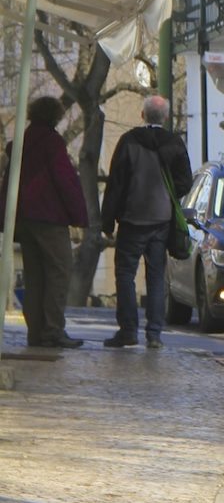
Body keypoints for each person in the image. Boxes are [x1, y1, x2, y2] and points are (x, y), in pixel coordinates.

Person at [101, 95, 192, 349]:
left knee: (125, 274)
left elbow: (115, 184)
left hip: (132, 219)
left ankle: (128, 330)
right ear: (165, 118)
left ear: (143, 115)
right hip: (162, 219)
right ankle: (154, 334)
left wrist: (107, 222)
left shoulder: (128, 141)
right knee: (156, 277)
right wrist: (169, 193)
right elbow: (186, 180)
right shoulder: (174, 143)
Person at [0, 94, 88, 349]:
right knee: (60, 270)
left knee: (35, 275)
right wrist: (79, 215)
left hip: (23, 218)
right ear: (55, 116)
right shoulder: (51, 143)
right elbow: (64, 180)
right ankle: (53, 330)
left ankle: (36, 331)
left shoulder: (22, 141)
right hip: (49, 217)